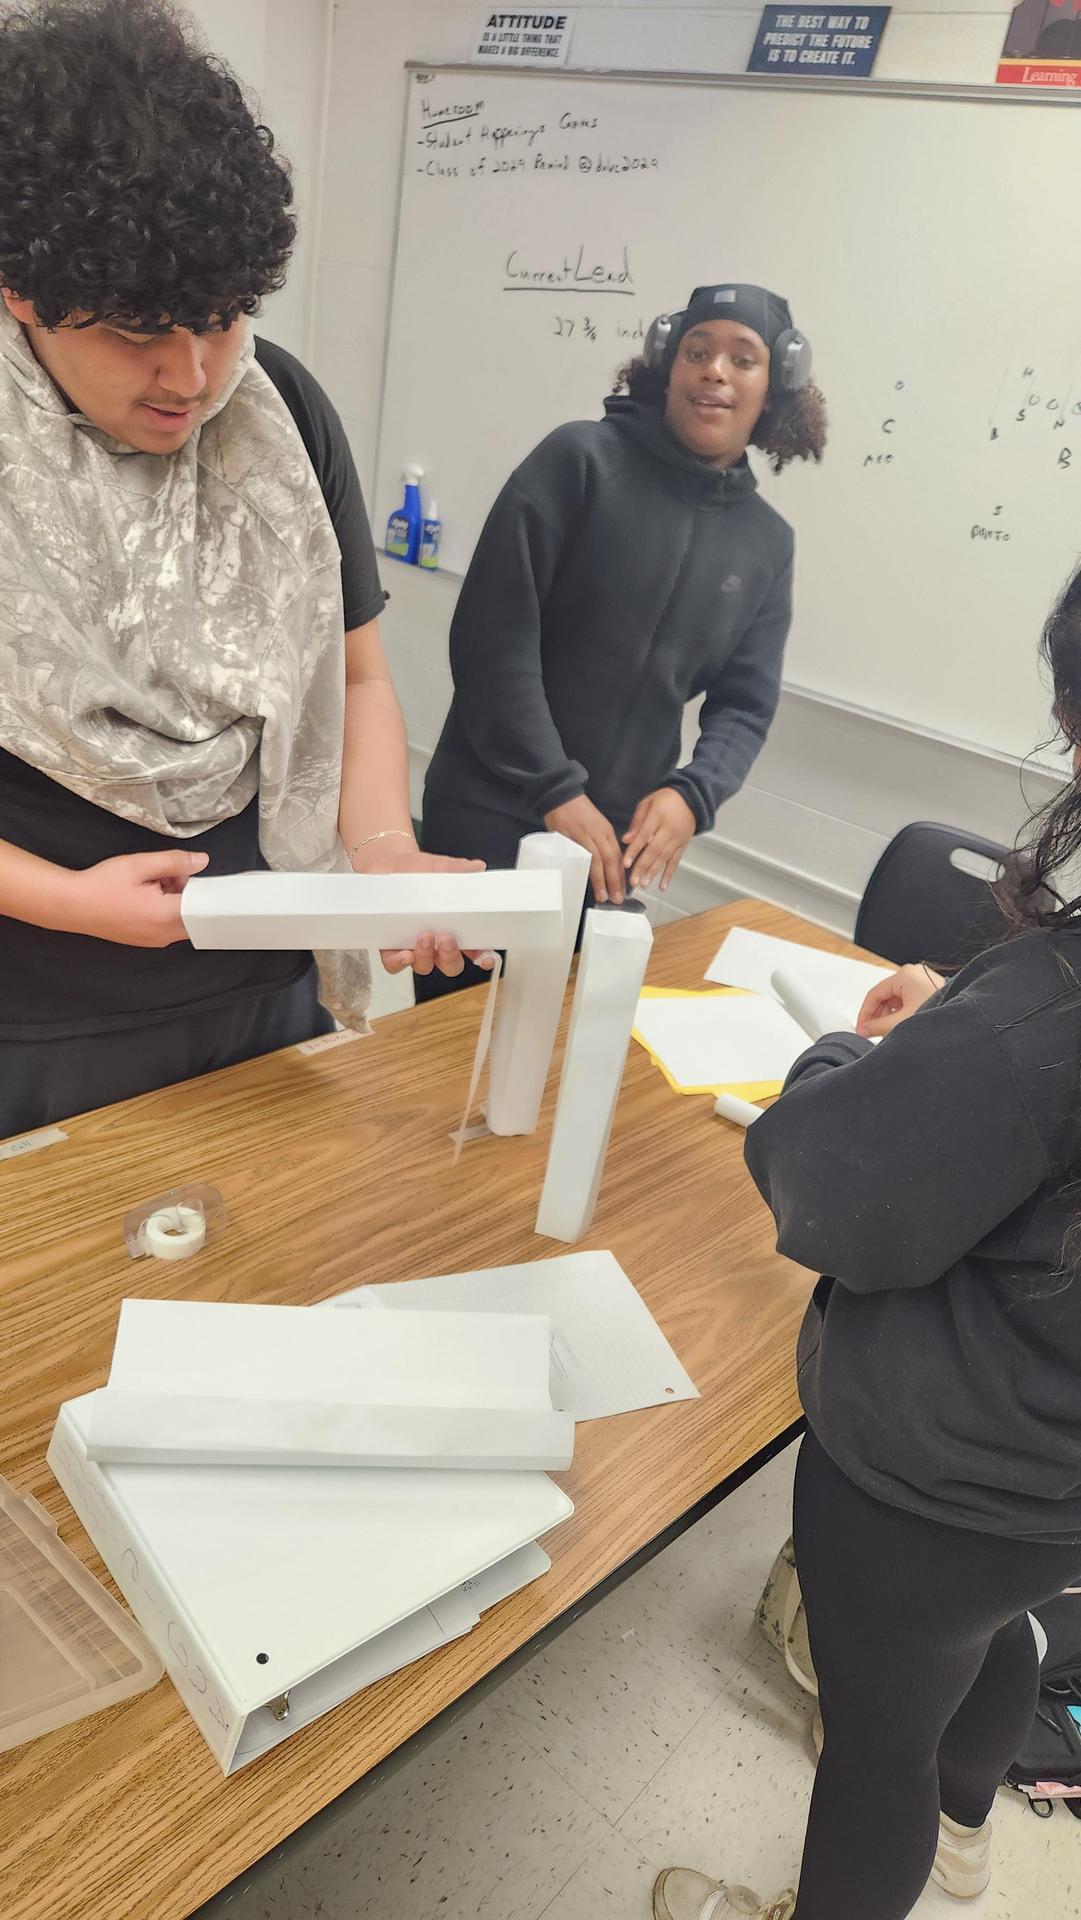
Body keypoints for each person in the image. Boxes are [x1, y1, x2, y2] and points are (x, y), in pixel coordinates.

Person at [653, 571, 1081, 1918]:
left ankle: (884, 1859)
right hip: (1052, 1487)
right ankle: (965, 1832)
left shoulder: (1049, 1012)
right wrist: (962, 1023)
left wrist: (855, 1053)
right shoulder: (1030, 1019)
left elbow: (826, 1190)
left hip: (938, 1475)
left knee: (875, 1734)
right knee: (987, 1634)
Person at [0, 0, 490, 1140]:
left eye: (222, 320)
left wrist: (383, 848)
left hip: (267, 985)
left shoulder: (284, 417)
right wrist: (64, 900)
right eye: (137, 332)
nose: (190, 376)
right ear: (22, 288)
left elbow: (356, 679)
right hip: (35, 1019)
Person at [417, 282, 827, 998]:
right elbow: (493, 640)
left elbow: (745, 703)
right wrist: (554, 787)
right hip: (488, 806)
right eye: (697, 351)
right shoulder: (578, 461)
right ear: (667, 364)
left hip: (608, 846)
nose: (715, 371)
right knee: (444, 1040)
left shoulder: (768, 543)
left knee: (566, 1036)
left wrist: (693, 794)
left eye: (742, 358)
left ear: (776, 387)